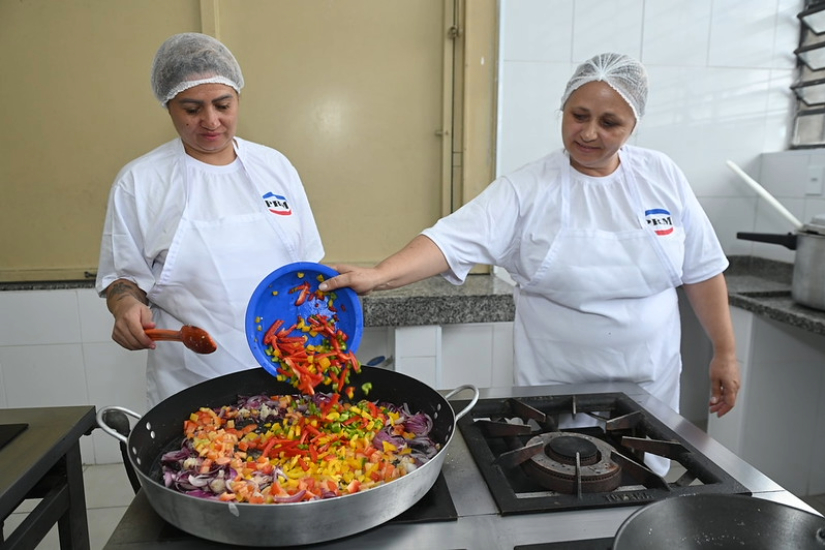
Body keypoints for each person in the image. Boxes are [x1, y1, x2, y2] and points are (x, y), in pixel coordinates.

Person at [320, 53, 740, 474]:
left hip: (649, 388)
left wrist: (726, 352)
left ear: (633, 126)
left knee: (647, 488)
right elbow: (449, 241)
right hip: (554, 394)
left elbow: (702, 269)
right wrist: (380, 275)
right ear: (563, 108)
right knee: (558, 482)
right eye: (579, 115)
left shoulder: (661, 175)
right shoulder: (528, 188)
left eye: (609, 123)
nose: (588, 133)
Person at [96, 33, 324, 407]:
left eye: (223, 104)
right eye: (192, 109)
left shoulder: (275, 167)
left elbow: (307, 269)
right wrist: (124, 307)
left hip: (289, 372)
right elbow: (123, 278)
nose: (211, 121)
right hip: (194, 384)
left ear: (238, 98)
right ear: (169, 106)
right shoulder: (140, 181)